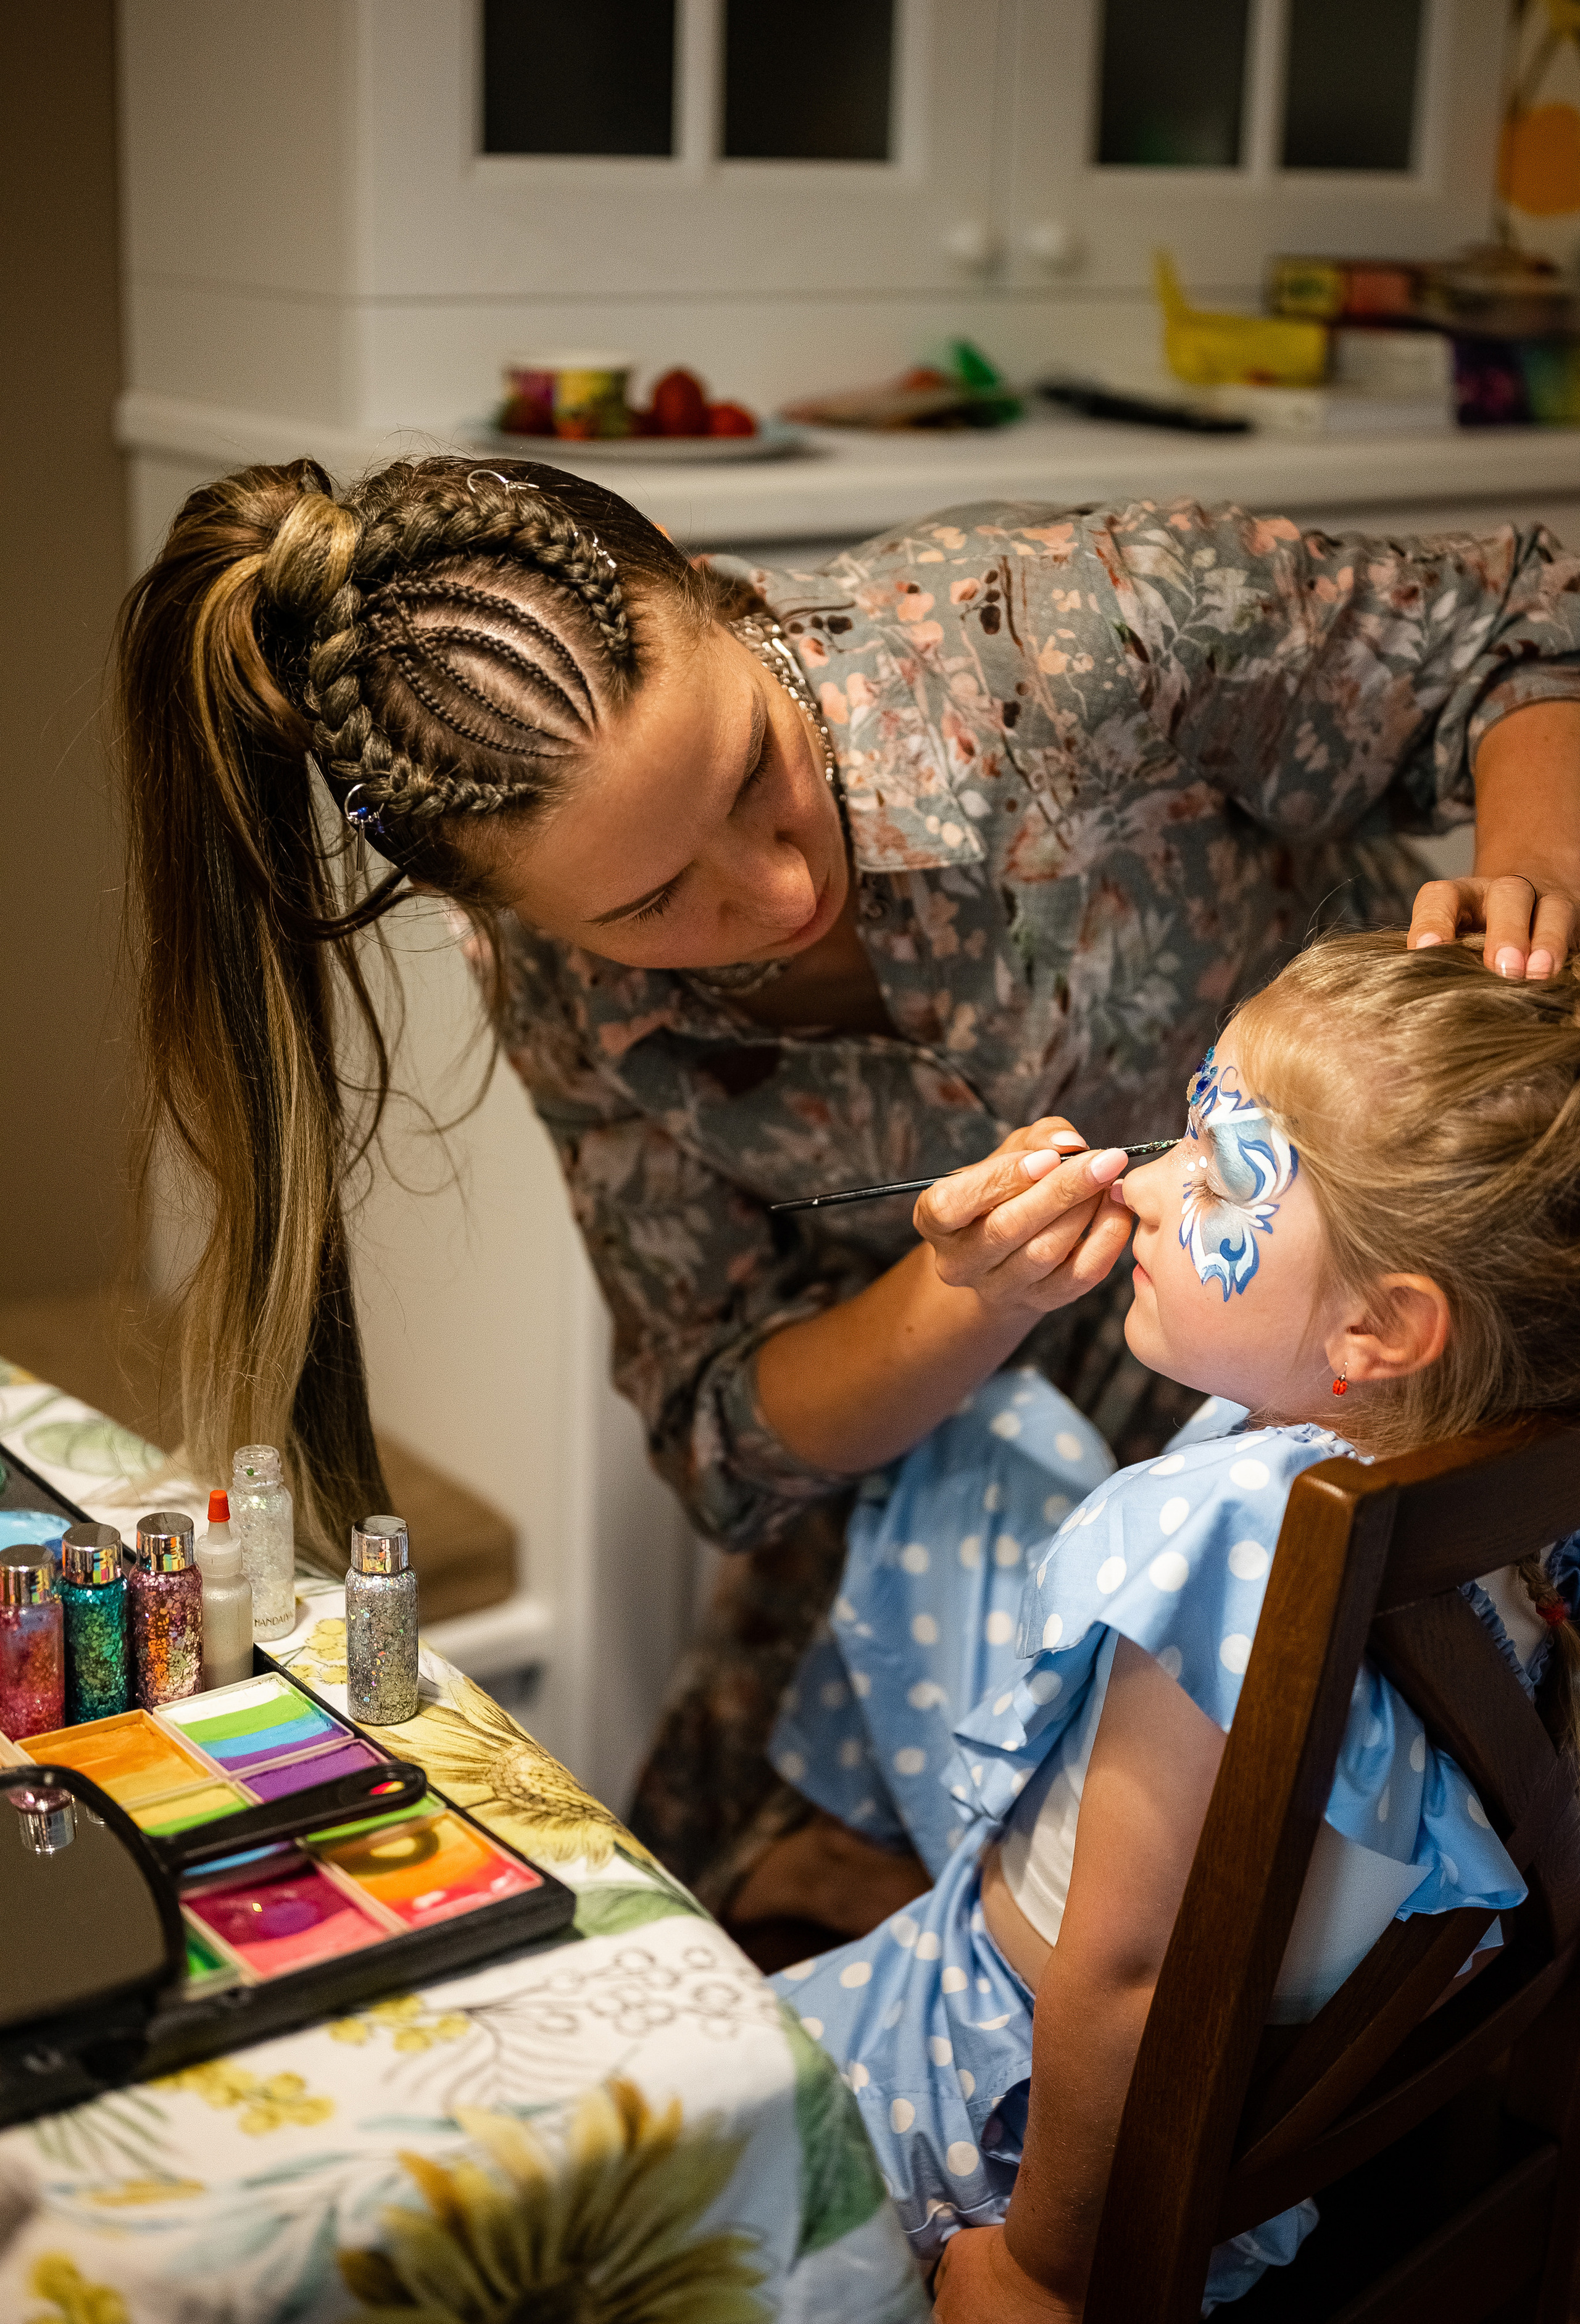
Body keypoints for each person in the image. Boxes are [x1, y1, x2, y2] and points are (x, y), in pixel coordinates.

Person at [115, 453, 1580, 1926]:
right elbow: (722, 1435)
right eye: (649, 905)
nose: (774, 898)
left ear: (701, 581)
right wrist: (952, 1303)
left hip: (1400, 1391)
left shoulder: (1066, 640)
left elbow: (1523, 618)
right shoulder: (568, 1004)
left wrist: (1535, 878)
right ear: (491, 913)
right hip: (958, 1482)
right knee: (705, 1929)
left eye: (755, 775)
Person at [763, 928, 1580, 2317]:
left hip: (1003, 2104)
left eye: (1215, 1172)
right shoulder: (1489, 1471)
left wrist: (1038, 2269)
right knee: (992, 1432)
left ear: (1376, 1333)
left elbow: (1131, 1975)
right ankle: (854, 1850)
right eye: (1180, 1135)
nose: (1141, 1184)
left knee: (630, 2142)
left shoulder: (1225, 1554)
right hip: (1271, 2091)